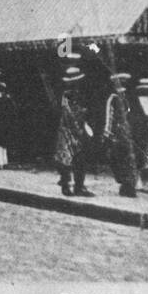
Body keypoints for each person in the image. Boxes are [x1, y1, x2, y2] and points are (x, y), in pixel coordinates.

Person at [54, 65, 94, 196]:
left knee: (76, 159)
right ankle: (68, 186)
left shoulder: (74, 95)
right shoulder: (67, 96)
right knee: (69, 159)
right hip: (69, 130)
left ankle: (76, 187)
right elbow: (69, 114)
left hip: (73, 130)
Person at [103, 72, 139, 197]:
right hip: (118, 134)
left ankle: (128, 185)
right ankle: (125, 183)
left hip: (126, 134)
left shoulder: (129, 98)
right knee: (117, 158)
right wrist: (108, 132)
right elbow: (110, 115)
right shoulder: (114, 98)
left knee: (126, 159)